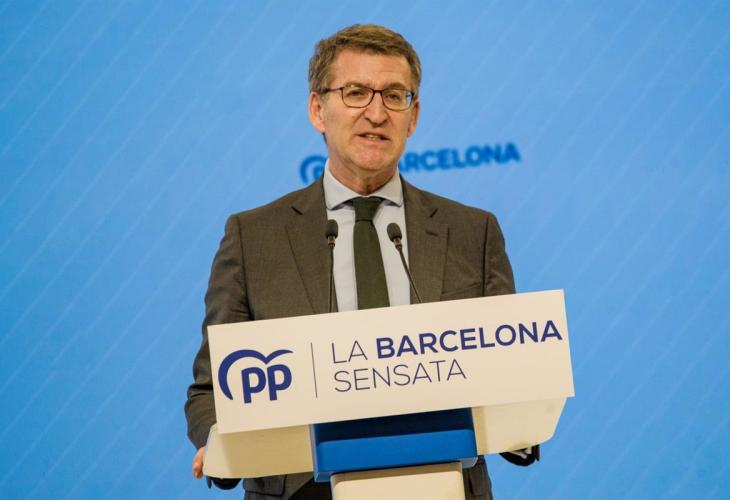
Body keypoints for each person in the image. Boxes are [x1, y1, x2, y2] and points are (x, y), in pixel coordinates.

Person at [185, 24, 536, 500]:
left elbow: (510, 375)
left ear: (413, 117)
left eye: (394, 96)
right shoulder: (254, 238)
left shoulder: (473, 232)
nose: (376, 113)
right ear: (317, 109)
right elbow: (210, 390)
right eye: (355, 93)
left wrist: (521, 422)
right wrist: (220, 443)